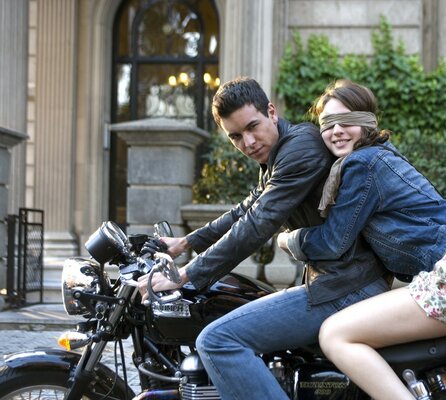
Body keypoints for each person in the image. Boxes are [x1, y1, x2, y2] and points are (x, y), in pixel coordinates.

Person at [136, 77, 390, 400]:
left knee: (216, 341)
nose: (249, 142)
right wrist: (185, 243)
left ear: (271, 111)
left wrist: (186, 274)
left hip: (347, 286)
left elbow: (258, 222)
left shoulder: (302, 147)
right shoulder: (275, 155)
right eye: (236, 137)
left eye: (253, 126)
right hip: (337, 282)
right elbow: (245, 209)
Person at [277, 79, 446, 400]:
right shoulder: (381, 156)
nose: (336, 131)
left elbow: (333, 243)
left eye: (347, 121)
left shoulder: (362, 164)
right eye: (327, 124)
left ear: (368, 122)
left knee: (335, 334)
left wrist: (287, 239)